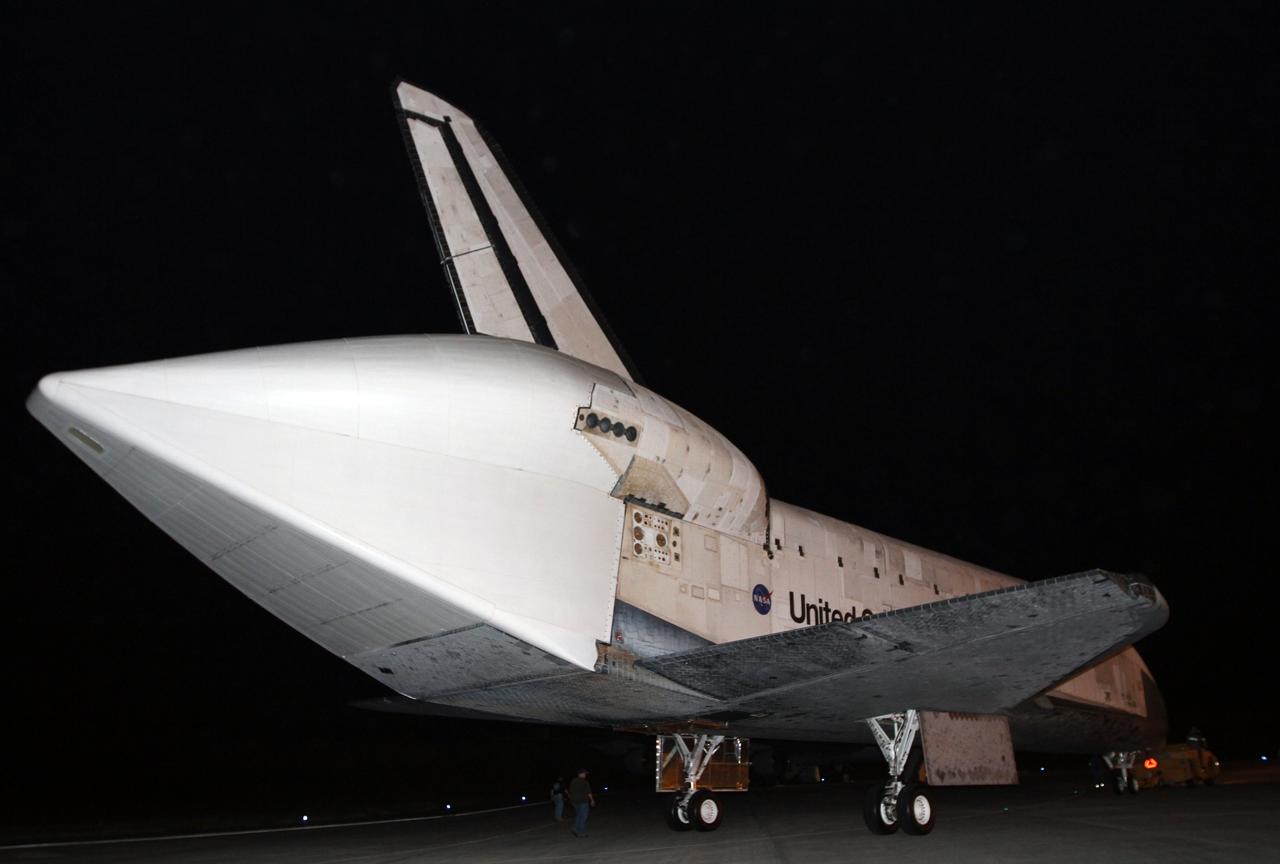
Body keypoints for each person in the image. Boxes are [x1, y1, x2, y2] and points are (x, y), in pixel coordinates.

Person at [568, 767, 595, 837]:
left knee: (578, 815)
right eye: (585, 774)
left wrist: (571, 800)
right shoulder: (585, 782)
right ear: (581, 774)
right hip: (583, 801)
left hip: (575, 801)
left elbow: (570, 791)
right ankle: (581, 831)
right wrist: (592, 800)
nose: (585, 775)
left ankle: (576, 829)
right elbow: (589, 792)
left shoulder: (573, 781)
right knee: (583, 816)